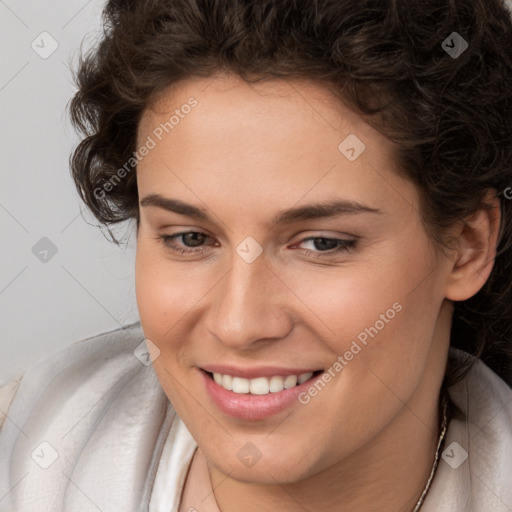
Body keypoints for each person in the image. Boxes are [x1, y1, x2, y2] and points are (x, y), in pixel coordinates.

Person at [1, 0, 512, 510]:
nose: (239, 324)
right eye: (190, 238)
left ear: (467, 246)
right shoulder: (22, 452)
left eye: (322, 243)